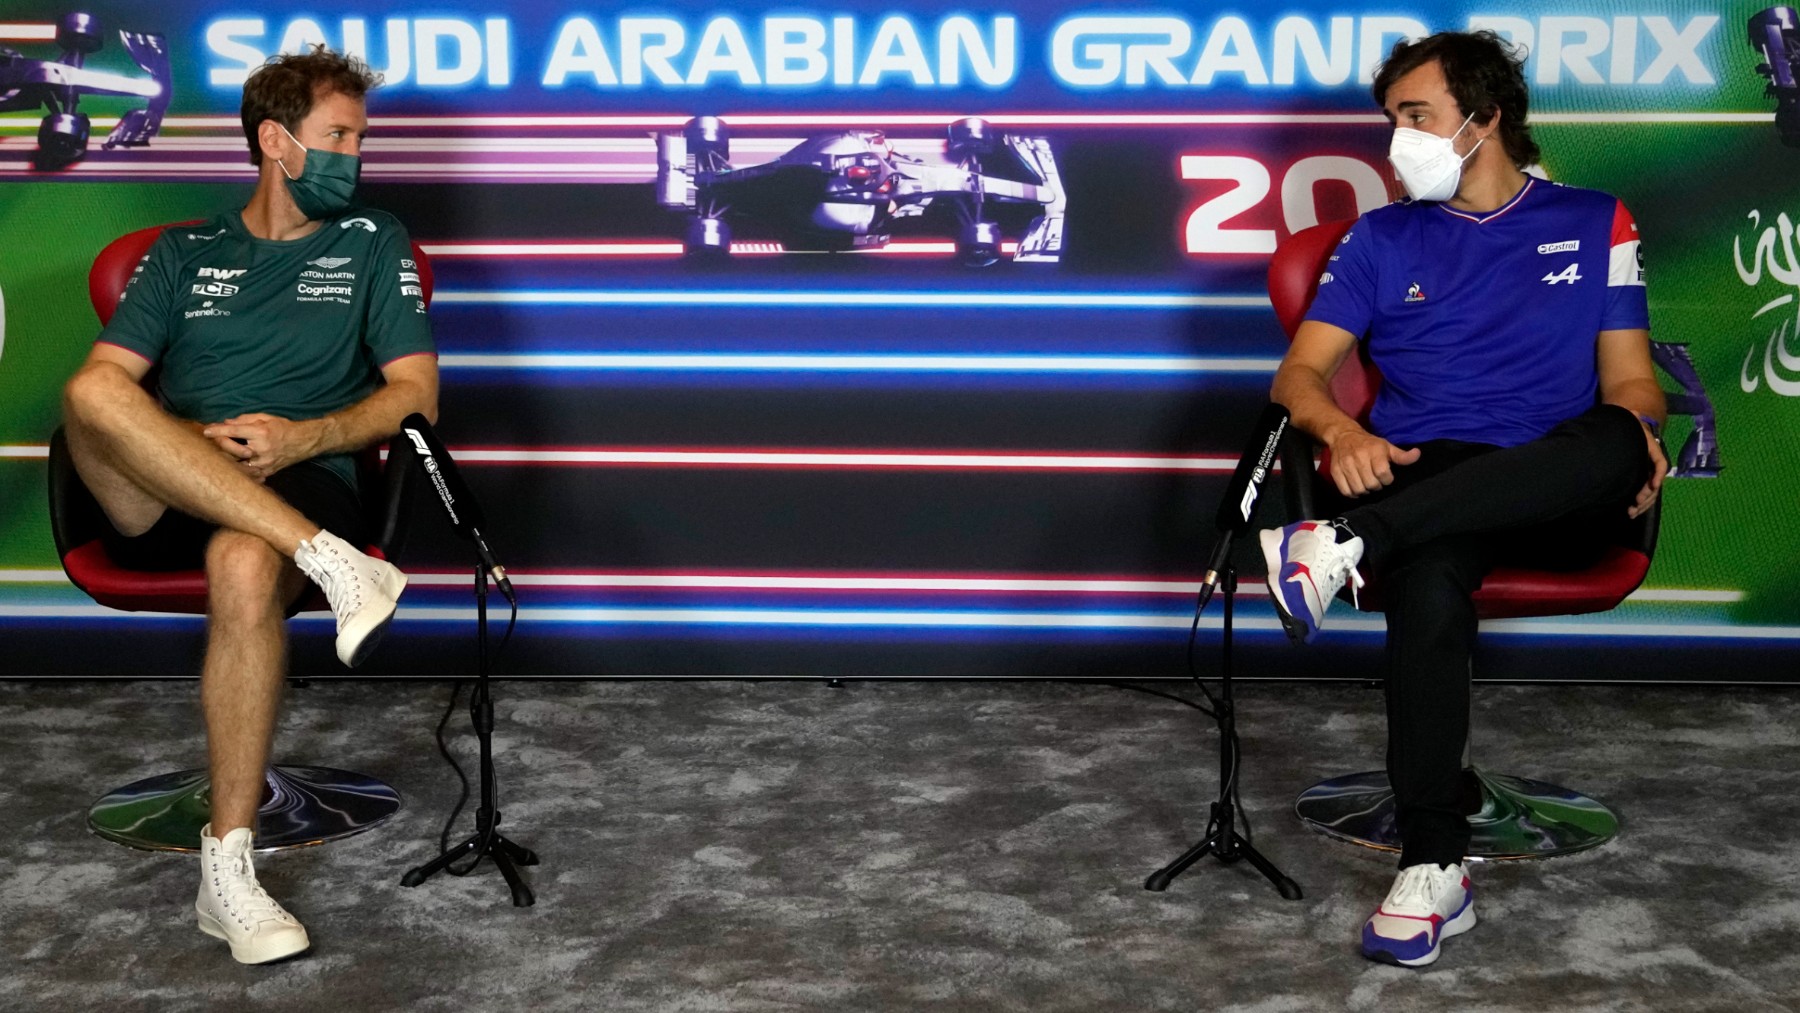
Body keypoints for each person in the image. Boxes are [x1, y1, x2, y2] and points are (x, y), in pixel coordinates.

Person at [1259, 31, 1666, 967]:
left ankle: (1346, 540)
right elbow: (1300, 376)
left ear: (1483, 121)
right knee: (1430, 578)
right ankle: (1434, 864)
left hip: (1564, 482)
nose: (1397, 140)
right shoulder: (1380, 234)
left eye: (1417, 117)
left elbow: (1632, 384)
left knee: (1612, 434)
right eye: (1392, 118)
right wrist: (1345, 433)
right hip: (1431, 471)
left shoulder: (1598, 218)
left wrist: (1641, 435)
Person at [60, 48, 437, 964]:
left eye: (360, 137)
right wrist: (188, 444)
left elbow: (416, 395)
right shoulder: (183, 251)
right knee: (92, 390)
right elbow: (109, 391)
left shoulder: (371, 239)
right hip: (166, 484)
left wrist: (304, 438)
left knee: (241, 557)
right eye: (338, 136)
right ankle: (336, 563)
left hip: (302, 474)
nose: (357, 154)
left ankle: (225, 869)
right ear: (277, 142)